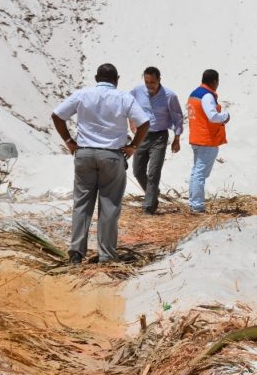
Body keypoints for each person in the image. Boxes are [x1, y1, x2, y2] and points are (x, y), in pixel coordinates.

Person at [51, 63, 150, 264]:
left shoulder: (82, 94)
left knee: (82, 204)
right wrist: (133, 146)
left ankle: (77, 252)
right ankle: (106, 255)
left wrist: (70, 142)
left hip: (84, 153)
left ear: (96, 78)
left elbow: (57, 115)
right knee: (109, 206)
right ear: (117, 79)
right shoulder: (124, 97)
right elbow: (144, 123)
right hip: (112, 155)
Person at [129, 66, 184, 215]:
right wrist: (131, 121)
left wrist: (177, 138)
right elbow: (129, 105)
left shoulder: (169, 96)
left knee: (153, 172)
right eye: (147, 82)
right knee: (137, 171)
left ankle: (149, 207)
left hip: (159, 136)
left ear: (159, 80)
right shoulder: (137, 91)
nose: (149, 85)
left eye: (152, 82)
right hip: (141, 135)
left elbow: (178, 117)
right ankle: (152, 194)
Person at [187, 69, 230, 214]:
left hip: (197, 138)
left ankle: (193, 203)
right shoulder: (207, 96)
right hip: (206, 140)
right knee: (200, 174)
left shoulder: (194, 93)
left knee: (196, 172)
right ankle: (197, 206)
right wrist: (225, 116)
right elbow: (213, 116)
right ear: (214, 82)